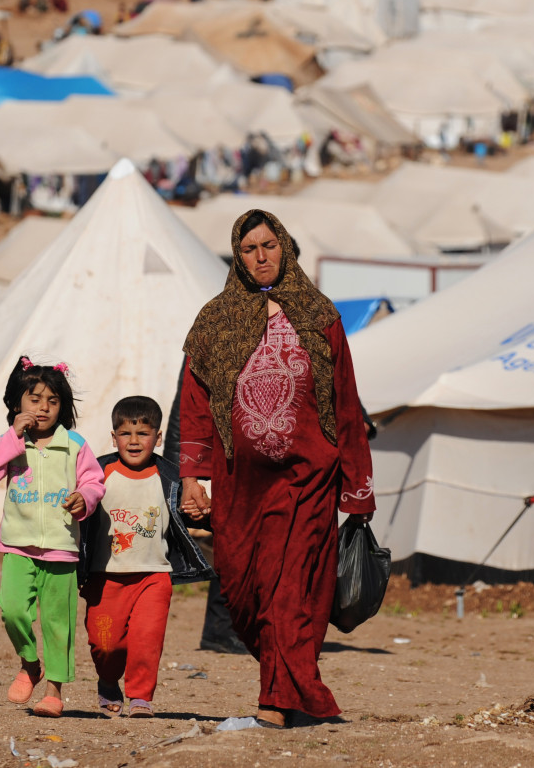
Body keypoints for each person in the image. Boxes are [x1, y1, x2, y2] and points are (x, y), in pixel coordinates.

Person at [179, 209, 376, 728]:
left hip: (309, 476)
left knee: (290, 588)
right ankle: (285, 681)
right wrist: (190, 476)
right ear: (237, 256)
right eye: (250, 249)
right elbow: (195, 402)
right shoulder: (214, 321)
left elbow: (347, 403)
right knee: (245, 591)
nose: (261, 256)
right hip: (240, 485)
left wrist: (357, 486)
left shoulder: (319, 314)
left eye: (269, 246)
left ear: (284, 248)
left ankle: (282, 698)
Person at [0, 359, 104, 718]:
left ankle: (54, 692)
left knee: (57, 622)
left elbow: (94, 482)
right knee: (12, 609)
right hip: (18, 543)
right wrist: (13, 435)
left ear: (63, 407)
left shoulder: (74, 444)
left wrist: (85, 499)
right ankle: (30, 663)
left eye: (52, 401)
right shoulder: (13, 444)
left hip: (62, 548)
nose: (43, 408)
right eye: (34, 399)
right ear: (18, 404)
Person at [79, 396, 212, 718]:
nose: (134, 441)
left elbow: (192, 513)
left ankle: (141, 697)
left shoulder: (171, 475)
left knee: (146, 641)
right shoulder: (97, 471)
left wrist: (204, 513)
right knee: (105, 644)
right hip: (104, 575)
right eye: (125, 434)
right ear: (114, 437)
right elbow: (77, 507)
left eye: (143, 433)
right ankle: (109, 681)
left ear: (159, 437)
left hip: (154, 575)